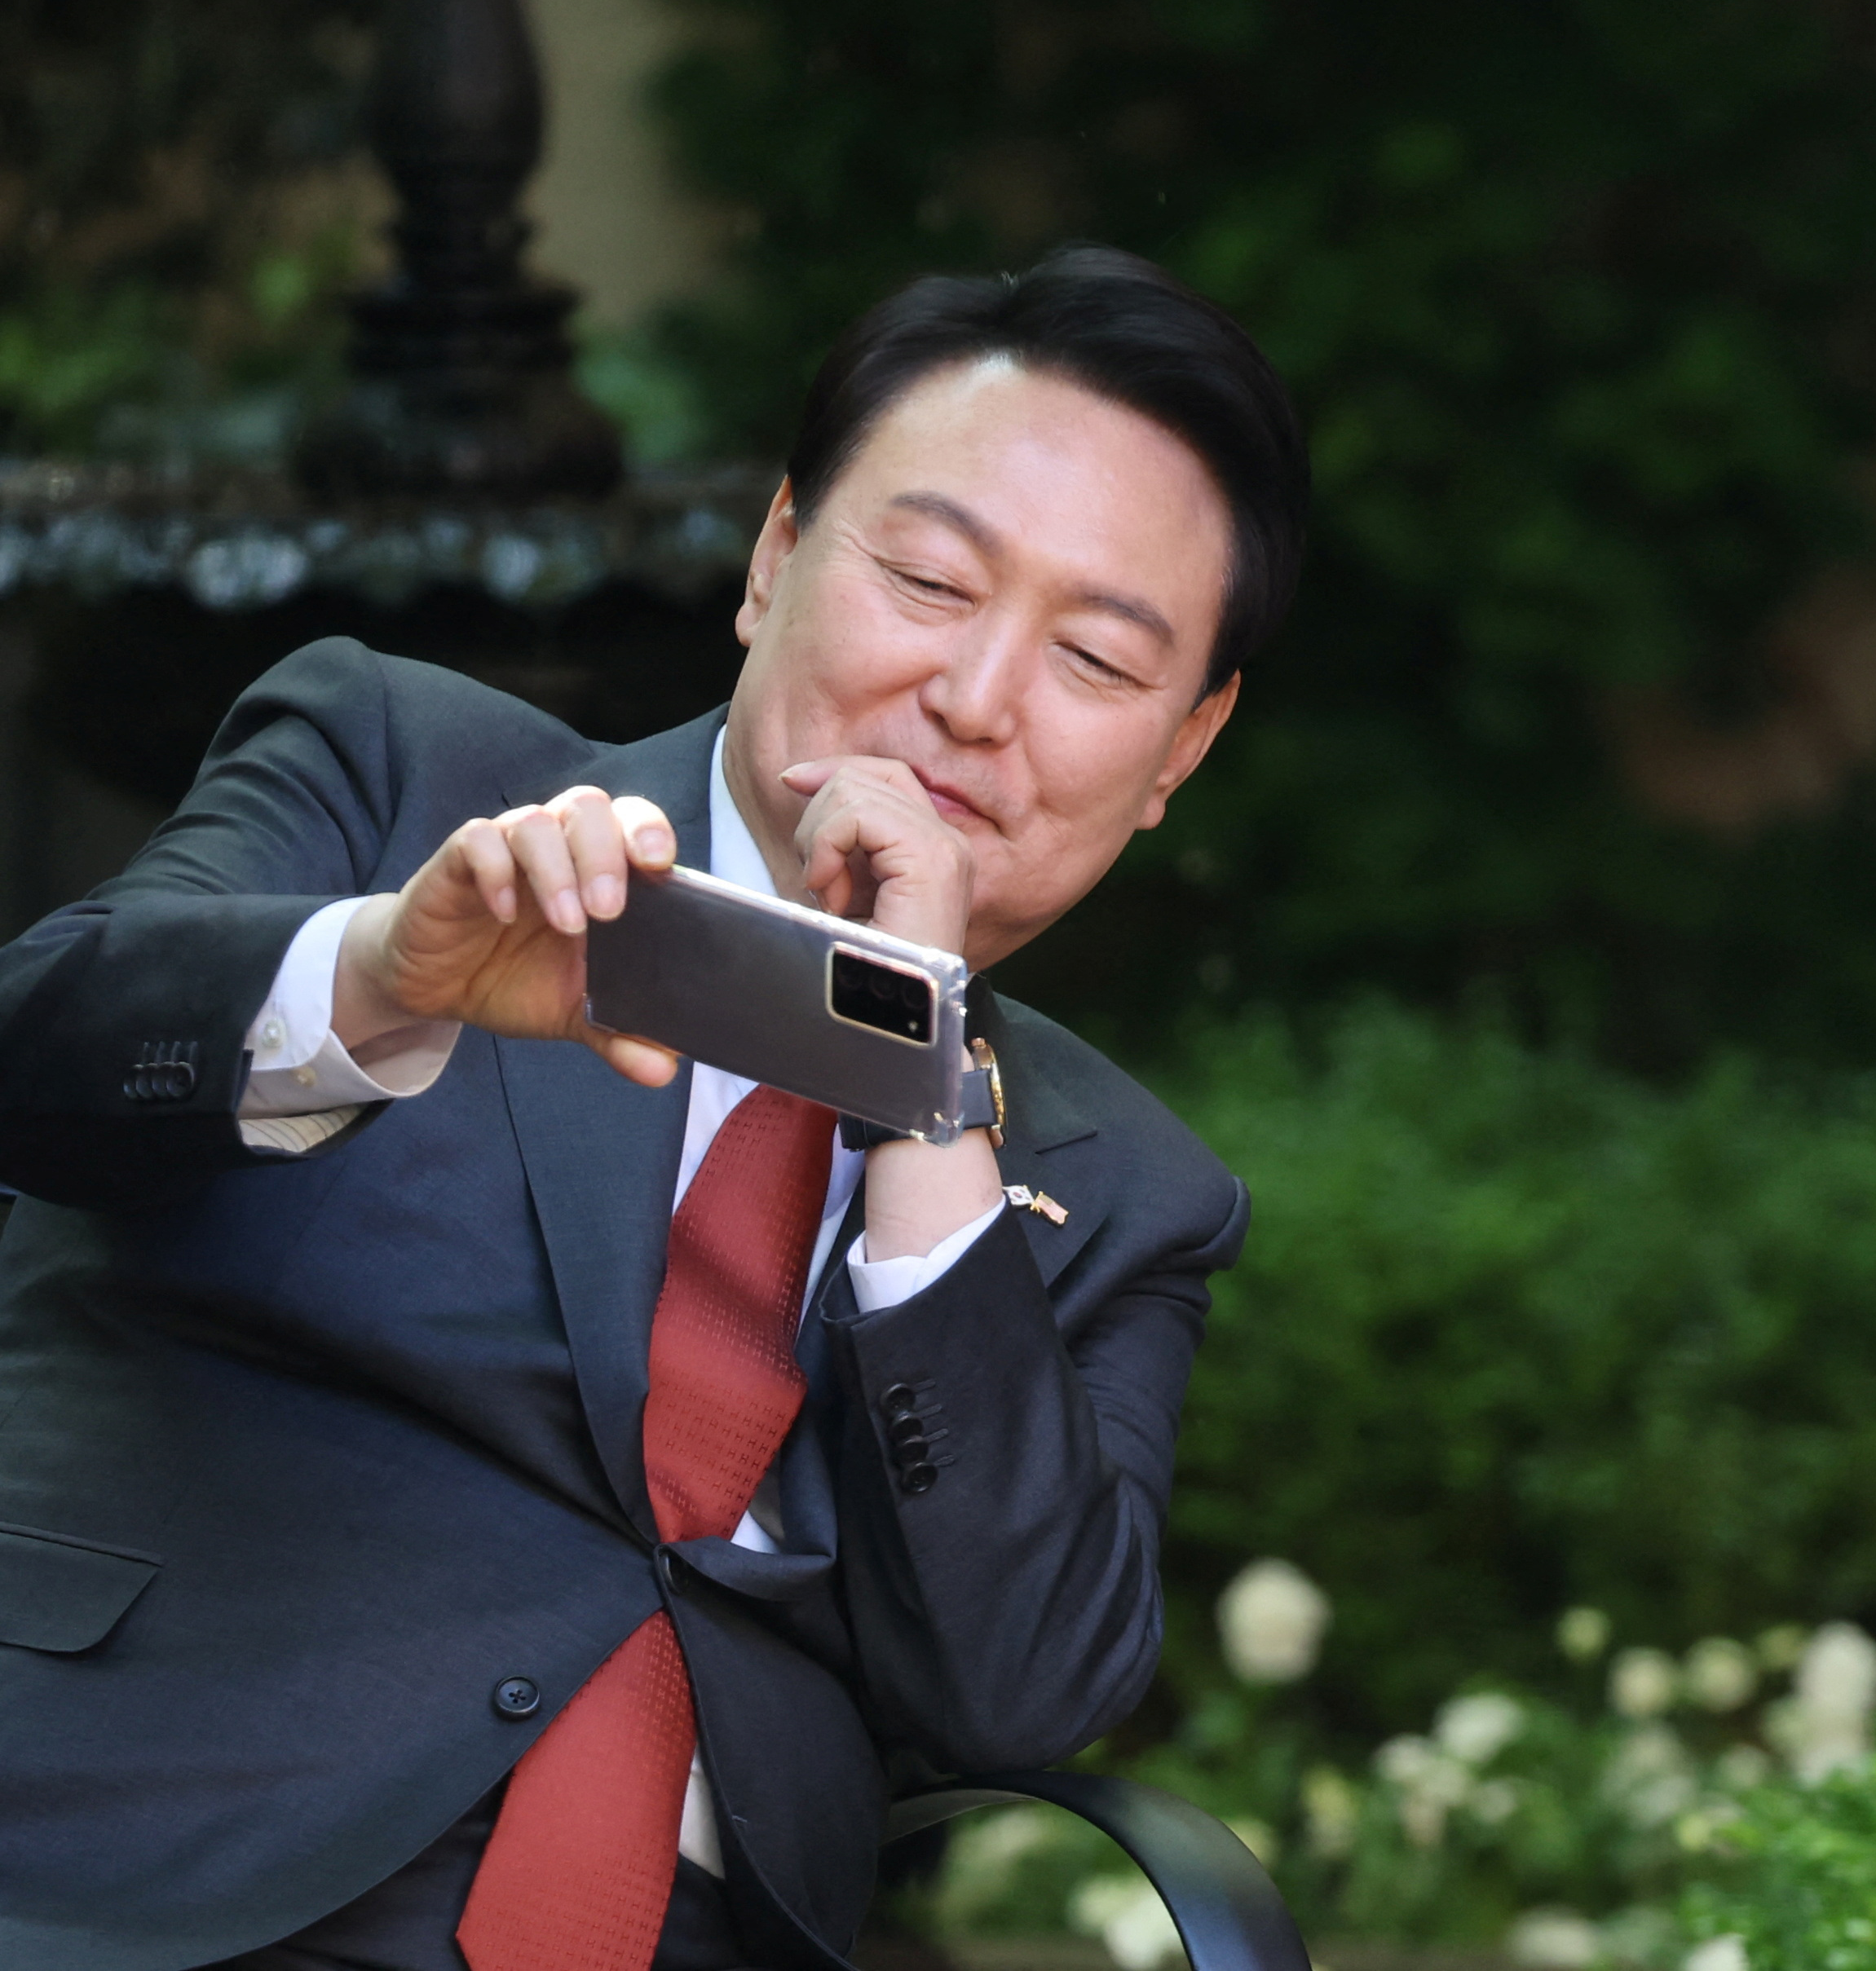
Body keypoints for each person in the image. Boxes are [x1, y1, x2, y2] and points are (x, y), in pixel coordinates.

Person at [0, 245, 1305, 1971]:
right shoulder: (408, 771)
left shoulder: (1123, 1190)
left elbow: (1025, 1690)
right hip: (145, 1847)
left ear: (1179, 754)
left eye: (1095, 662)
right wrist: (391, 973)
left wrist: (920, 1104)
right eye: (926, 579)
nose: (977, 703)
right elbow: (41, 1053)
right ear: (774, 559)